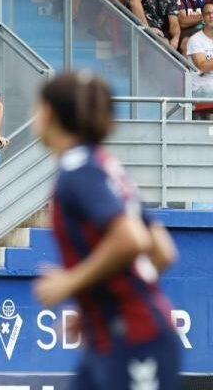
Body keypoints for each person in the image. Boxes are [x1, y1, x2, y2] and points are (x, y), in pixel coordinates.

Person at [31, 72, 181, 390]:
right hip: (117, 336)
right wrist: (101, 302)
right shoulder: (103, 165)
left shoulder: (78, 171)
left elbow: (132, 239)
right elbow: (163, 251)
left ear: (48, 112)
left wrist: (71, 281)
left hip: (135, 341)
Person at [186, 2, 213, 96]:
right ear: (202, 18)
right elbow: (202, 67)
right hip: (200, 88)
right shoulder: (195, 40)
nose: (211, 16)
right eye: (208, 13)